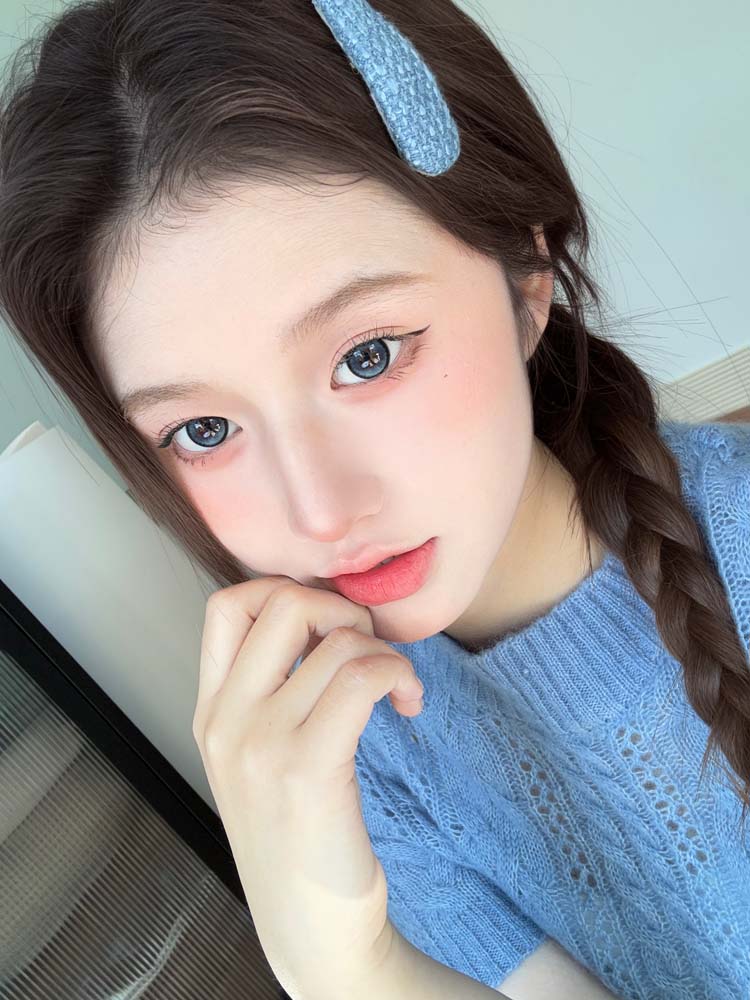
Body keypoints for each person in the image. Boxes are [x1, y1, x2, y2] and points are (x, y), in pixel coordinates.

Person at [0, 2, 747, 998]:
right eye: (204, 431)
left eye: (368, 355)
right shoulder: (358, 753)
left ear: (527, 279)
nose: (318, 512)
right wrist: (345, 964)